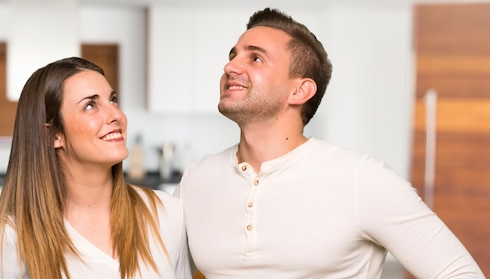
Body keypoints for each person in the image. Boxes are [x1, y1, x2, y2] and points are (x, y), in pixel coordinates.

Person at [175, 7, 484, 279]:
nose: (230, 67)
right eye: (233, 55)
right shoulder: (196, 180)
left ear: (299, 91)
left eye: (255, 57)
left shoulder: (362, 180)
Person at [0, 57, 191, 279]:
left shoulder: (167, 214)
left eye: (113, 100)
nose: (116, 115)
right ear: (53, 135)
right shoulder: (13, 240)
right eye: (90, 105)